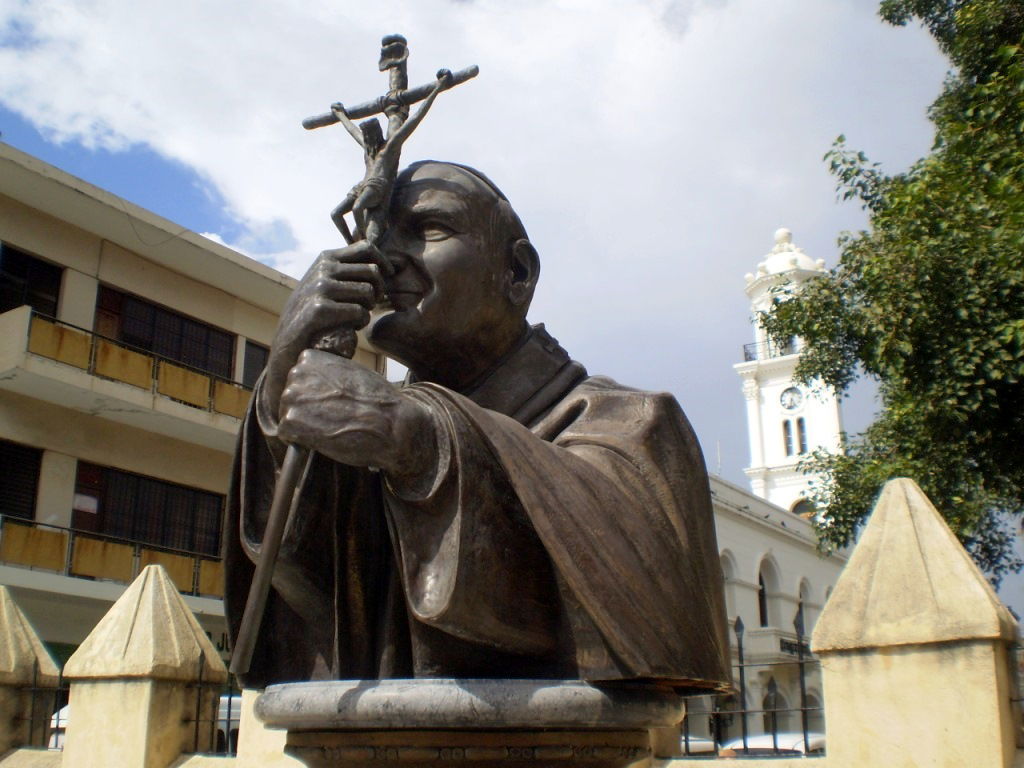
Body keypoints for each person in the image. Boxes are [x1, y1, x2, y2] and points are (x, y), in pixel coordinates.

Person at [224, 161, 731, 691]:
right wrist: (282, 384)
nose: (382, 258)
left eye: (427, 230)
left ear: (517, 273)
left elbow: (654, 617)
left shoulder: (637, 425)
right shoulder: (369, 441)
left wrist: (420, 438)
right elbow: (305, 598)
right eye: (376, 234)